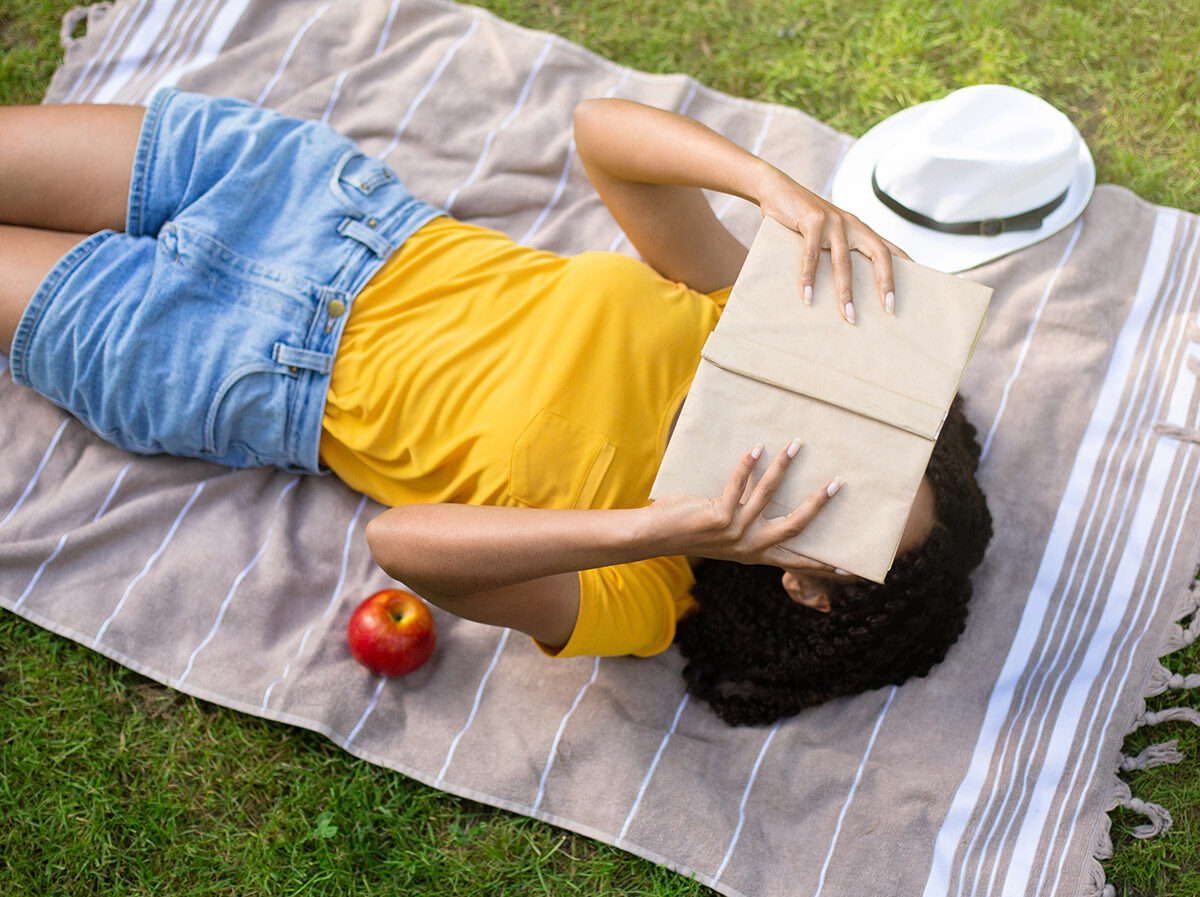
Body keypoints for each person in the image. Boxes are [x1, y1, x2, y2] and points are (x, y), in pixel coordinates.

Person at [0, 89, 991, 724]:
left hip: (220, 359)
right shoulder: (748, 341)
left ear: (807, 590)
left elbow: (408, 547)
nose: (825, 475)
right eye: (868, 461)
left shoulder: (642, 589)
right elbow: (603, 132)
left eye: (839, 517)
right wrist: (768, 186)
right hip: (322, 206)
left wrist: (664, 522)